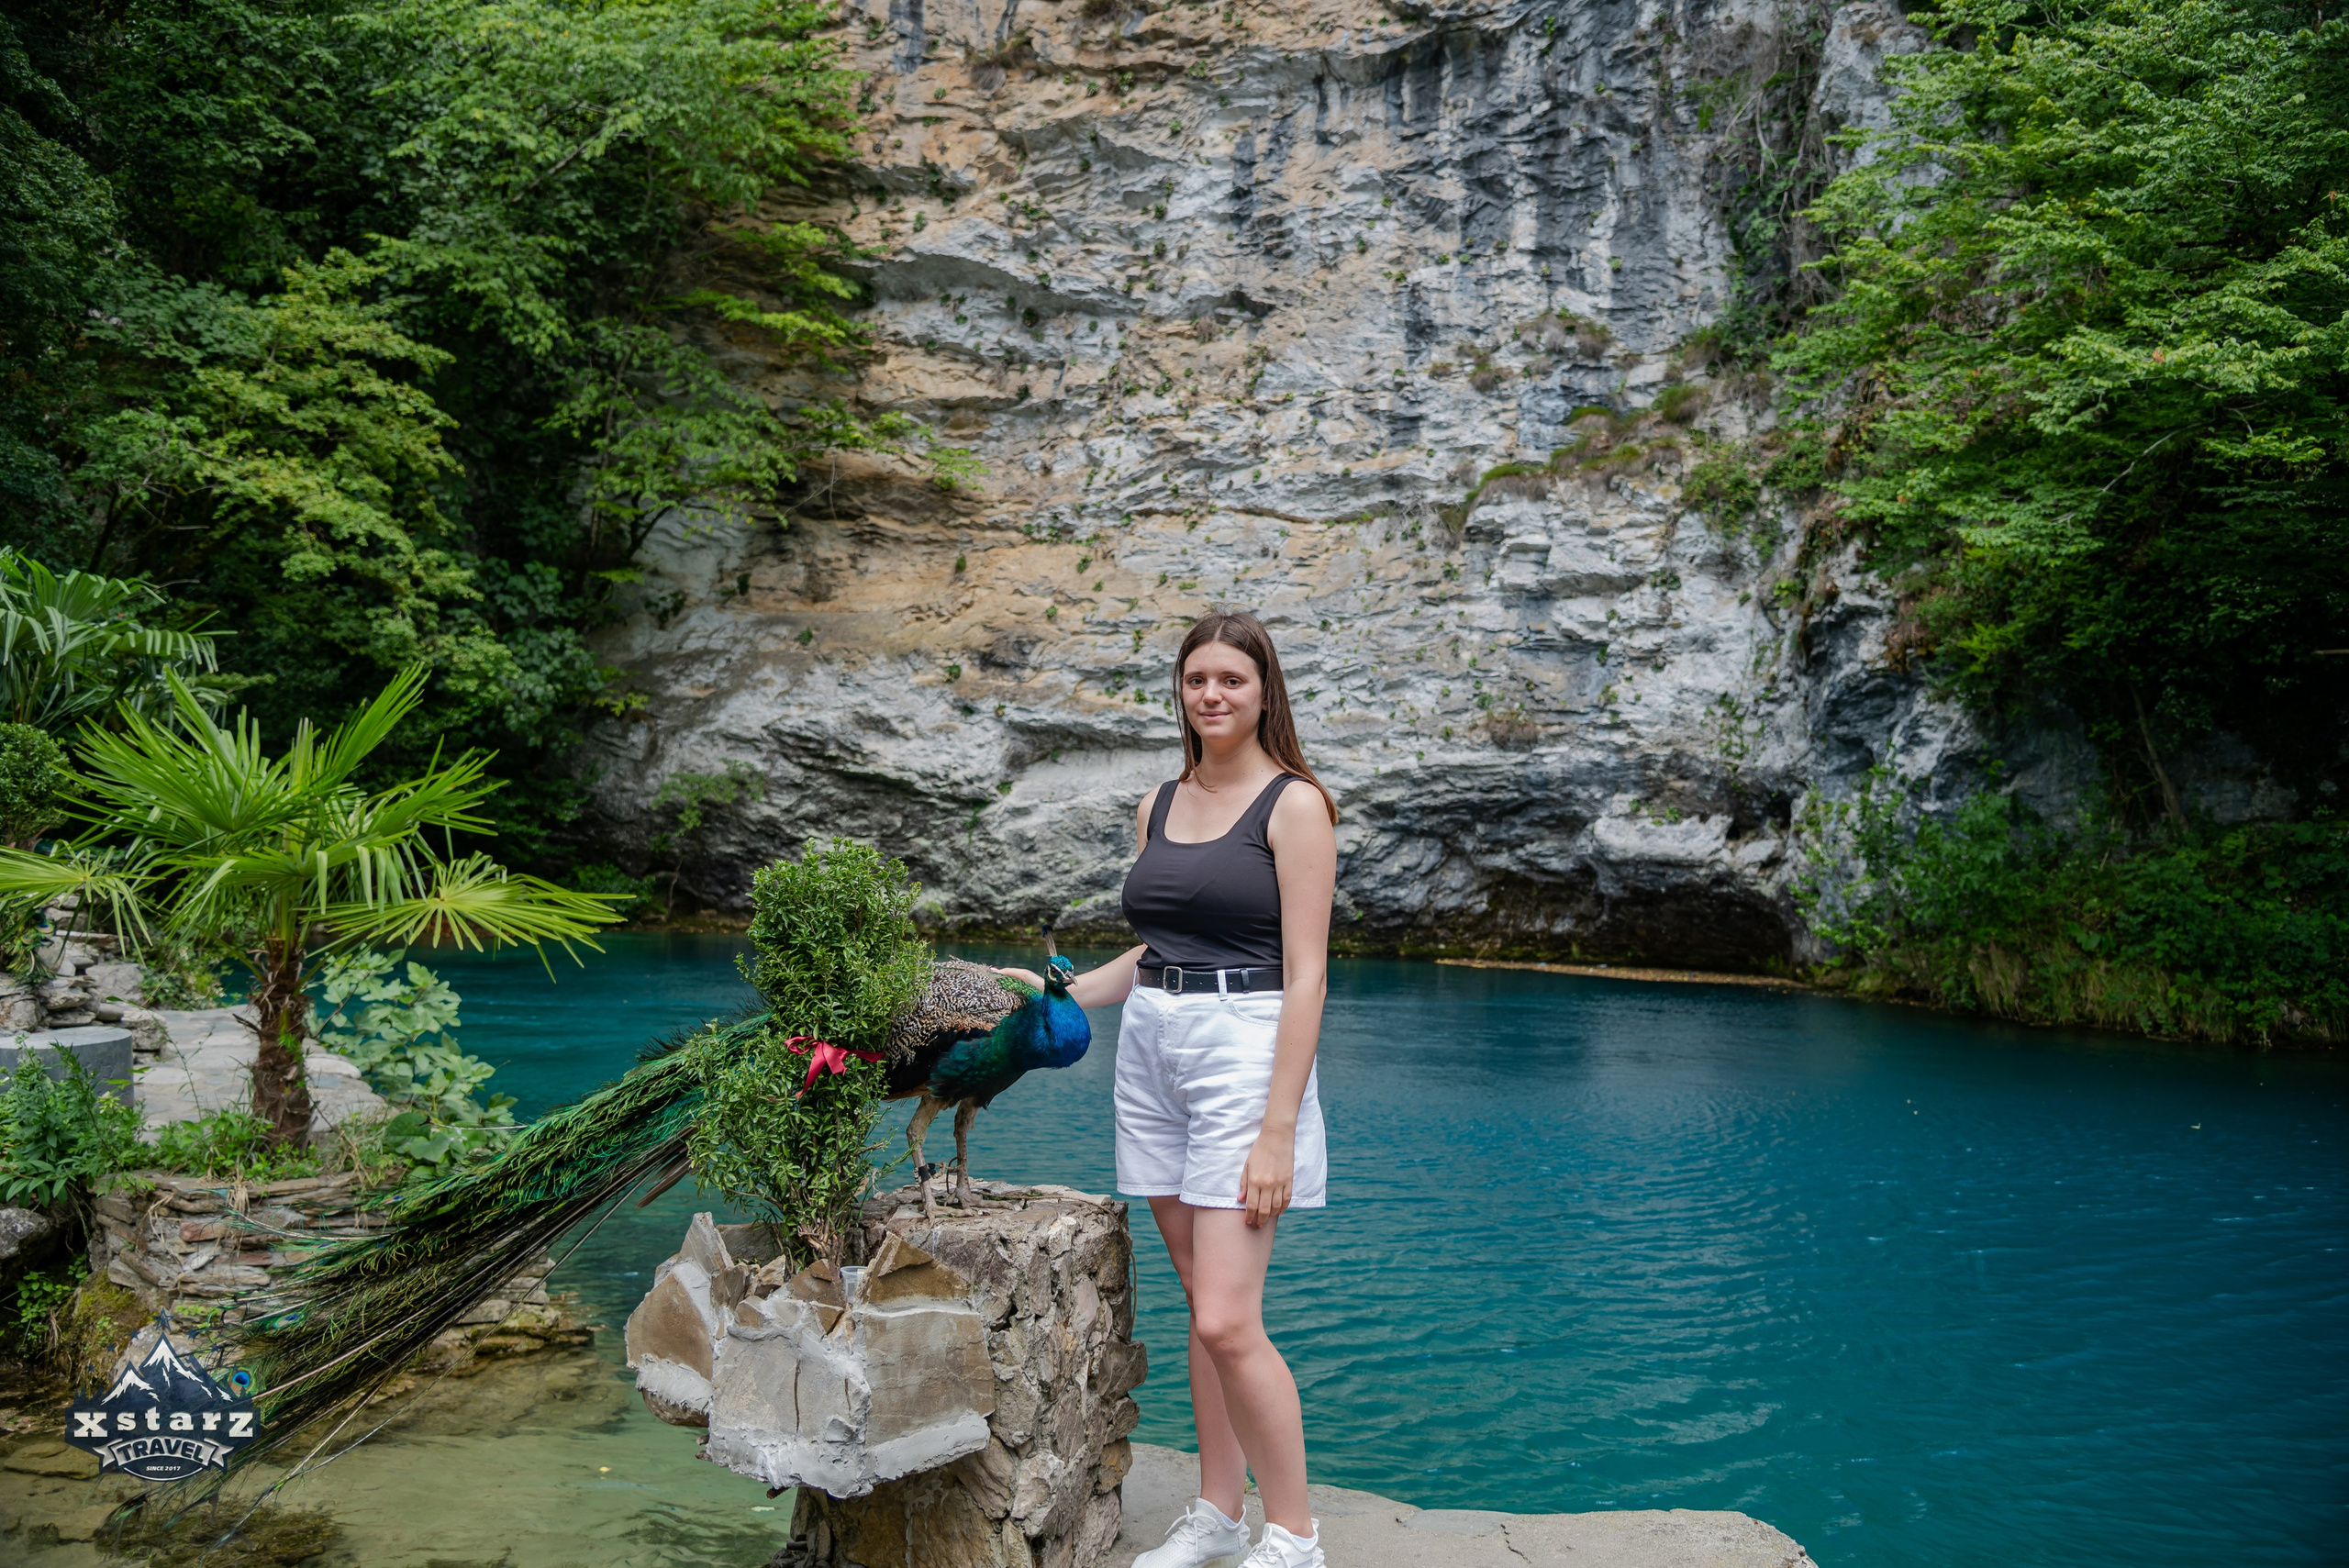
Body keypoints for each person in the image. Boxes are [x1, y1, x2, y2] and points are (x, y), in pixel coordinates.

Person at [1001, 609, 1338, 1568]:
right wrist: (1054, 991)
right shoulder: (1161, 800)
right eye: (1197, 679)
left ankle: (1296, 1535)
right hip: (1153, 1046)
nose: (1213, 694)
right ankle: (1218, 1511)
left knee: (1230, 1316)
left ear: (1264, 689)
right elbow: (1155, 951)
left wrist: (1277, 1129)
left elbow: (1307, 973)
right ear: (1180, 691)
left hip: (1246, 1047)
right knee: (1201, 1302)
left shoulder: (1294, 805)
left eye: (1232, 678)